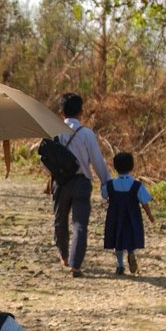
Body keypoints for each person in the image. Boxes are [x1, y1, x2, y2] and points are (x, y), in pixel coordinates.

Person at [51, 93, 110, 277]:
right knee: (80, 224)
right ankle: (76, 265)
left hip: (60, 183)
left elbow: (44, 158)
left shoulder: (55, 132)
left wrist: (53, 174)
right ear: (81, 112)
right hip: (81, 183)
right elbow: (97, 160)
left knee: (60, 220)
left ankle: (64, 256)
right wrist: (107, 183)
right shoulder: (86, 134)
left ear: (61, 112)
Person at [102, 151, 155, 275]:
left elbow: (104, 195)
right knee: (130, 237)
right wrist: (150, 216)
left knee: (116, 239)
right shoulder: (136, 185)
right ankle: (131, 252)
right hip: (132, 216)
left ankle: (120, 264)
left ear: (115, 166)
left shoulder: (110, 185)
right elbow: (144, 201)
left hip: (114, 216)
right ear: (131, 166)